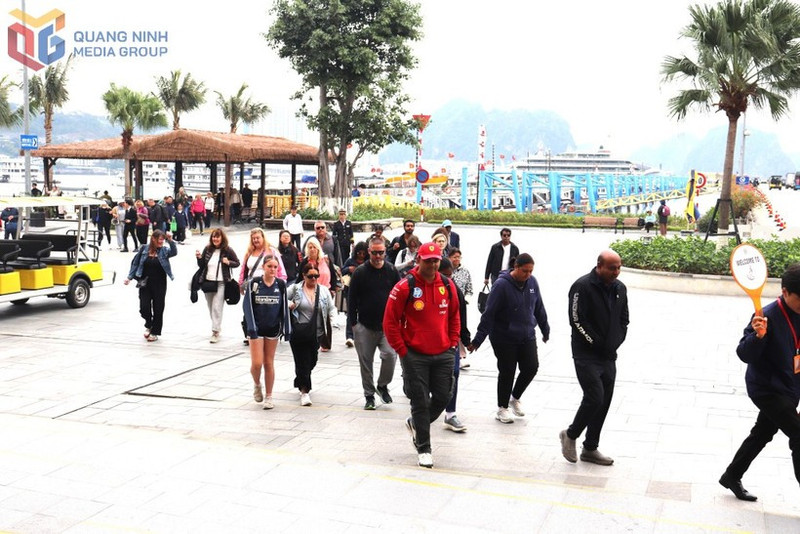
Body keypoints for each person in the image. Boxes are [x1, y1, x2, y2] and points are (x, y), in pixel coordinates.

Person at [718, 263, 800, 502]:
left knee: (763, 432)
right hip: (767, 389)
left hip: (790, 386)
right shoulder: (766, 316)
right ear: (785, 292)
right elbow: (744, 354)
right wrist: (758, 336)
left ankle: (732, 475)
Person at [383, 242, 461, 469]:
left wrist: (453, 343)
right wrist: (403, 350)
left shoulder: (447, 284)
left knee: (444, 396)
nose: (433, 265)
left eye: (436, 260)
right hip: (414, 355)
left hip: (443, 352)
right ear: (419, 260)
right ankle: (424, 449)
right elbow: (390, 321)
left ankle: (416, 423)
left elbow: (455, 316)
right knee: (419, 401)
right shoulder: (404, 286)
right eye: (428, 261)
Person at [560, 250, 629, 466]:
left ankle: (590, 448)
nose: (616, 272)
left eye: (618, 268)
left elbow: (624, 319)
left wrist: (616, 341)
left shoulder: (620, 288)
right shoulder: (581, 286)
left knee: (605, 401)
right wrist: (595, 342)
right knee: (595, 397)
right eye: (612, 268)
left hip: (608, 354)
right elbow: (576, 320)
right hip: (586, 354)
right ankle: (570, 435)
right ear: (599, 266)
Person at [468, 253, 550, 424]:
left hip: (527, 334)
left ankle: (515, 397)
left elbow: (539, 306)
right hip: (504, 336)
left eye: (531, 271)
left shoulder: (532, 282)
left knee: (531, 367)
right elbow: (489, 314)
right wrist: (477, 340)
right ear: (516, 267)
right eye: (525, 271)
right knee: (507, 371)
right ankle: (502, 408)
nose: (528, 274)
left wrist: (545, 329)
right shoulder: (501, 285)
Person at [348, 237, 400, 410]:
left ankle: (383, 385)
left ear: (385, 252)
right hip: (364, 325)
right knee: (366, 363)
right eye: (374, 252)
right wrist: (353, 325)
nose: (378, 256)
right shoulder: (360, 272)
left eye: (381, 252)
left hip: (387, 326)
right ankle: (369, 396)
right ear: (369, 251)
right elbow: (351, 299)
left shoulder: (392, 270)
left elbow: (400, 296)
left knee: (390, 356)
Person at [287, 262, 338, 406]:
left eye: (316, 276)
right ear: (304, 276)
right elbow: (283, 296)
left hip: (316, 333)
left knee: (311, 361)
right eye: (310, 276)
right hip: (298, 331)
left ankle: (300, 379)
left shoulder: (323, 291)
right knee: (302, 360)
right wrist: (289, 304)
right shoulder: (295, 289)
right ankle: (305, 391)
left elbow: (331, 308)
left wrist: (333, 321)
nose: (314, 279)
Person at [243, 255, 290, 410]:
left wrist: (286, 328)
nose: (272, 269)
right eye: (269, 266)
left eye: (275, 267)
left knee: (268, 363)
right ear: (263, 267)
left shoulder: (281, 285)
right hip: (256, 328)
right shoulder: (255, 283)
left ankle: (269, 396)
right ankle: (257, 384)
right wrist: (251, 327)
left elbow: (284, 307)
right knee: (257, 363)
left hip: (273, 328)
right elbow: (247, 305)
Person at [123, 229, 177, 342]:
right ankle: (149, 323)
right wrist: (129, 277)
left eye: (163, 240)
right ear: (153, 239)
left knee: (158, 308)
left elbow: (174, 252)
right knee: (144, 307)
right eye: (160, 239)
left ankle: (155, 332)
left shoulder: (164, 250)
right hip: (144, 282)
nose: (161, 242)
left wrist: (170, 240)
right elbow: (135, 263)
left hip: (160, 283)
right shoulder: (144, 249)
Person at [438, 258, 471, 433]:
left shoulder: (453, 289)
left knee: (454, 373)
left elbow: (462, 315)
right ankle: (420, 411)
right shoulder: (421, 287)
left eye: (450, 276)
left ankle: (450, 413)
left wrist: (466, 338)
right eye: (444, 275)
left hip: (449, 339)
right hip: (427, 339)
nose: (448, 279)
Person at [196, 228, 241, 343]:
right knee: (211, 307)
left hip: (221, 282)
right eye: (213, 237)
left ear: (222, 238)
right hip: (208, 282)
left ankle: (215, 331)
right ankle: (217, 326)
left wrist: (228, 262)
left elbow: (237, 262)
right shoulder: (208, 249)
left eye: (217, 237)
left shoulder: (227, 250)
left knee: (217, 307)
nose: (215, 239)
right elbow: (202, 265)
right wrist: (199, 257)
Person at [341, 241, 368, 346]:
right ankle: (350, 336)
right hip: (350, 289)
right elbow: (342, 270)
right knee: (350, 313)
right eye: (359, 253)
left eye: (363, 253)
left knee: (364, 313)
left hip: (365, 291)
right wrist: (349, 269)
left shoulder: (368, 262)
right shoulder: (350, 261)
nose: (361, 255)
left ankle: (362, 335)